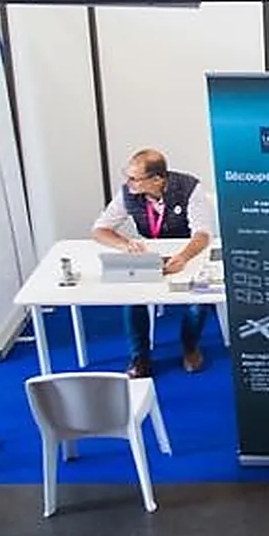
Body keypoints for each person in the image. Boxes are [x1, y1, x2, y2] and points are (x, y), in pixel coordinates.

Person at [92, 148, 215, 378]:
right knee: (132, 297)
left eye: (134, 178)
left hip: (189, 253)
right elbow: (100, 230)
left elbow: (202, 235)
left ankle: (190, 347)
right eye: (127, 176)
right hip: (151, 255)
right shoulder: (128, 193)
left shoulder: (189, 188)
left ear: (157, 179)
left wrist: (184, 257)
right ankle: (140, 357)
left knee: (199, 300)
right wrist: (125, 245)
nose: (128, 183)